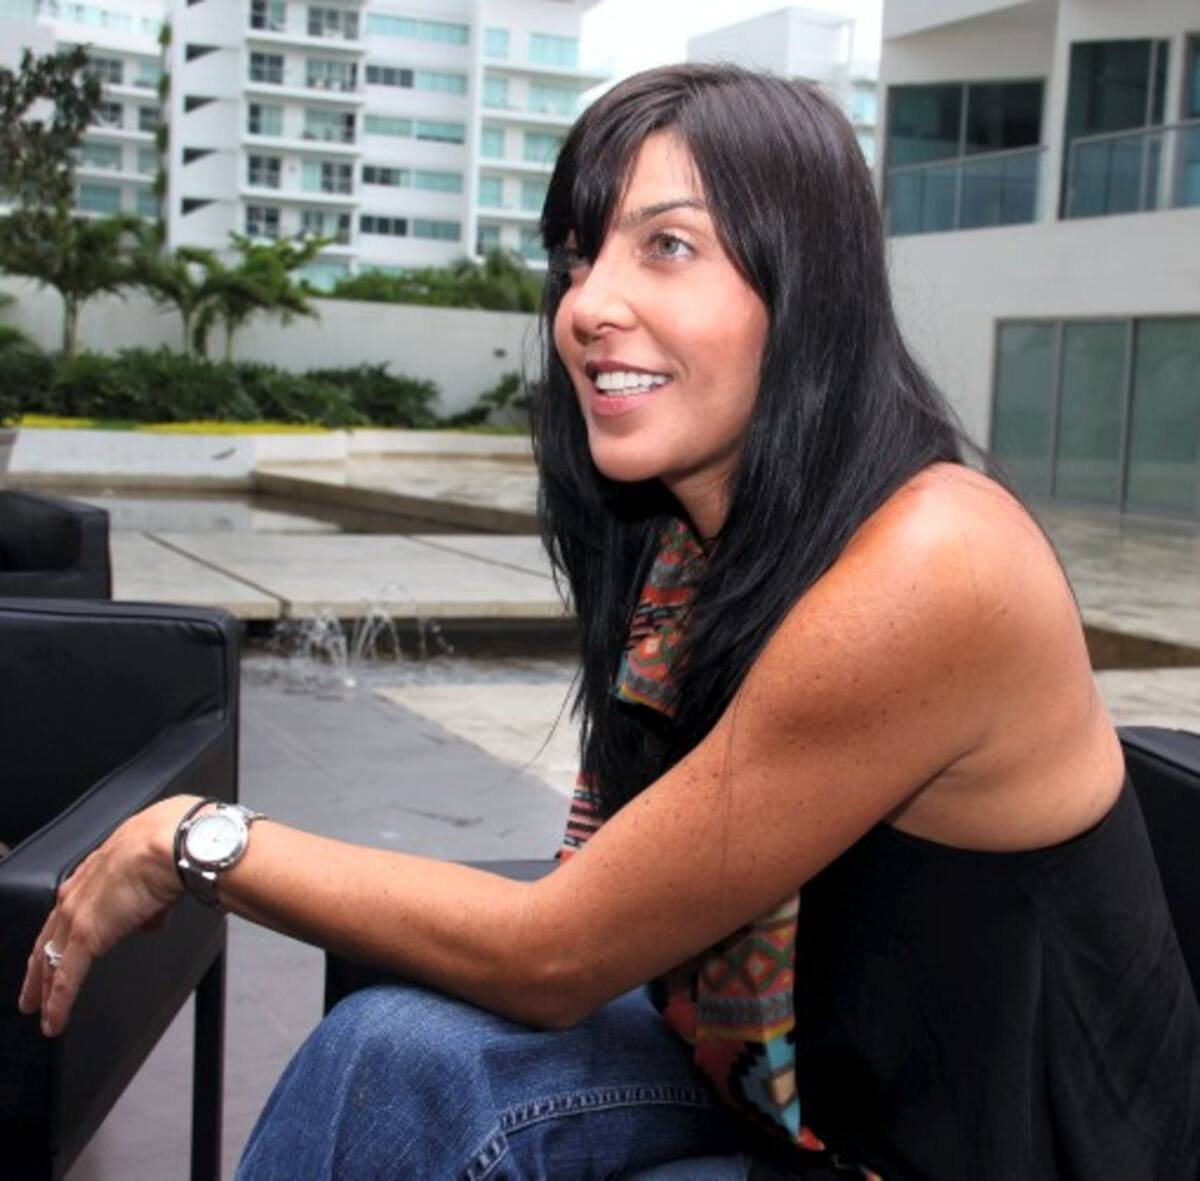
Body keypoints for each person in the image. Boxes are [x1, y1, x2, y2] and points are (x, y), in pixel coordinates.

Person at [19, 65, 1200, 1180]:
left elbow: (554, 951)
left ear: (808, 289)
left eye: (668, 246)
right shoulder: (692, 541)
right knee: (393, 1057)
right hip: (786, 1075)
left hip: (957, 1151)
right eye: (579, 257)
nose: (588, 304)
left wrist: (196, 840)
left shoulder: (934, 560)